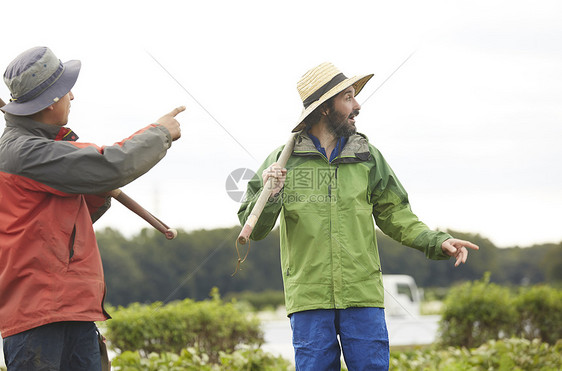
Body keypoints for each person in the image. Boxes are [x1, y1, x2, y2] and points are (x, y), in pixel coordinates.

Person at [238, 62, 479, 370]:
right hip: (309, 300)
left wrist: (437, 241)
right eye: (348, 97)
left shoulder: (368, 156)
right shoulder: (281, 163)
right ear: (325, 108)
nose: (357, 105)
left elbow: (395, 213)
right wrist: (272, 193)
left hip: (362, 296)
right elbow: (253, 229)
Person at [0, 46, 184, 370]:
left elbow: (69, 221)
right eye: (64, 90)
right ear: (50, 101)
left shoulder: (42, 150)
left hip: (73, 309)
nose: (72, 95)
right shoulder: (22, 152)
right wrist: (160, 134)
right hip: (38, 316)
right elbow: (108, 164)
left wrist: (95, 192)